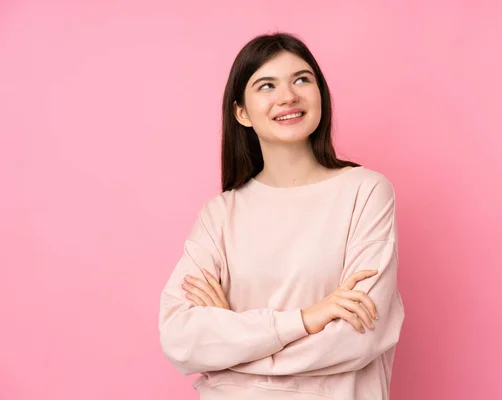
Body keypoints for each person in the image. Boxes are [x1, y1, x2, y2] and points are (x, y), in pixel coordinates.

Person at [158, 32, 405, 400]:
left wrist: (233, 344)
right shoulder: (221, 214)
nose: (288, 96)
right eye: (266, 85)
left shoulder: (365, 193)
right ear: (241, 112)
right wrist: (305, 320)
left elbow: (356, 338)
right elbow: (180, 337)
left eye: (302, 79)